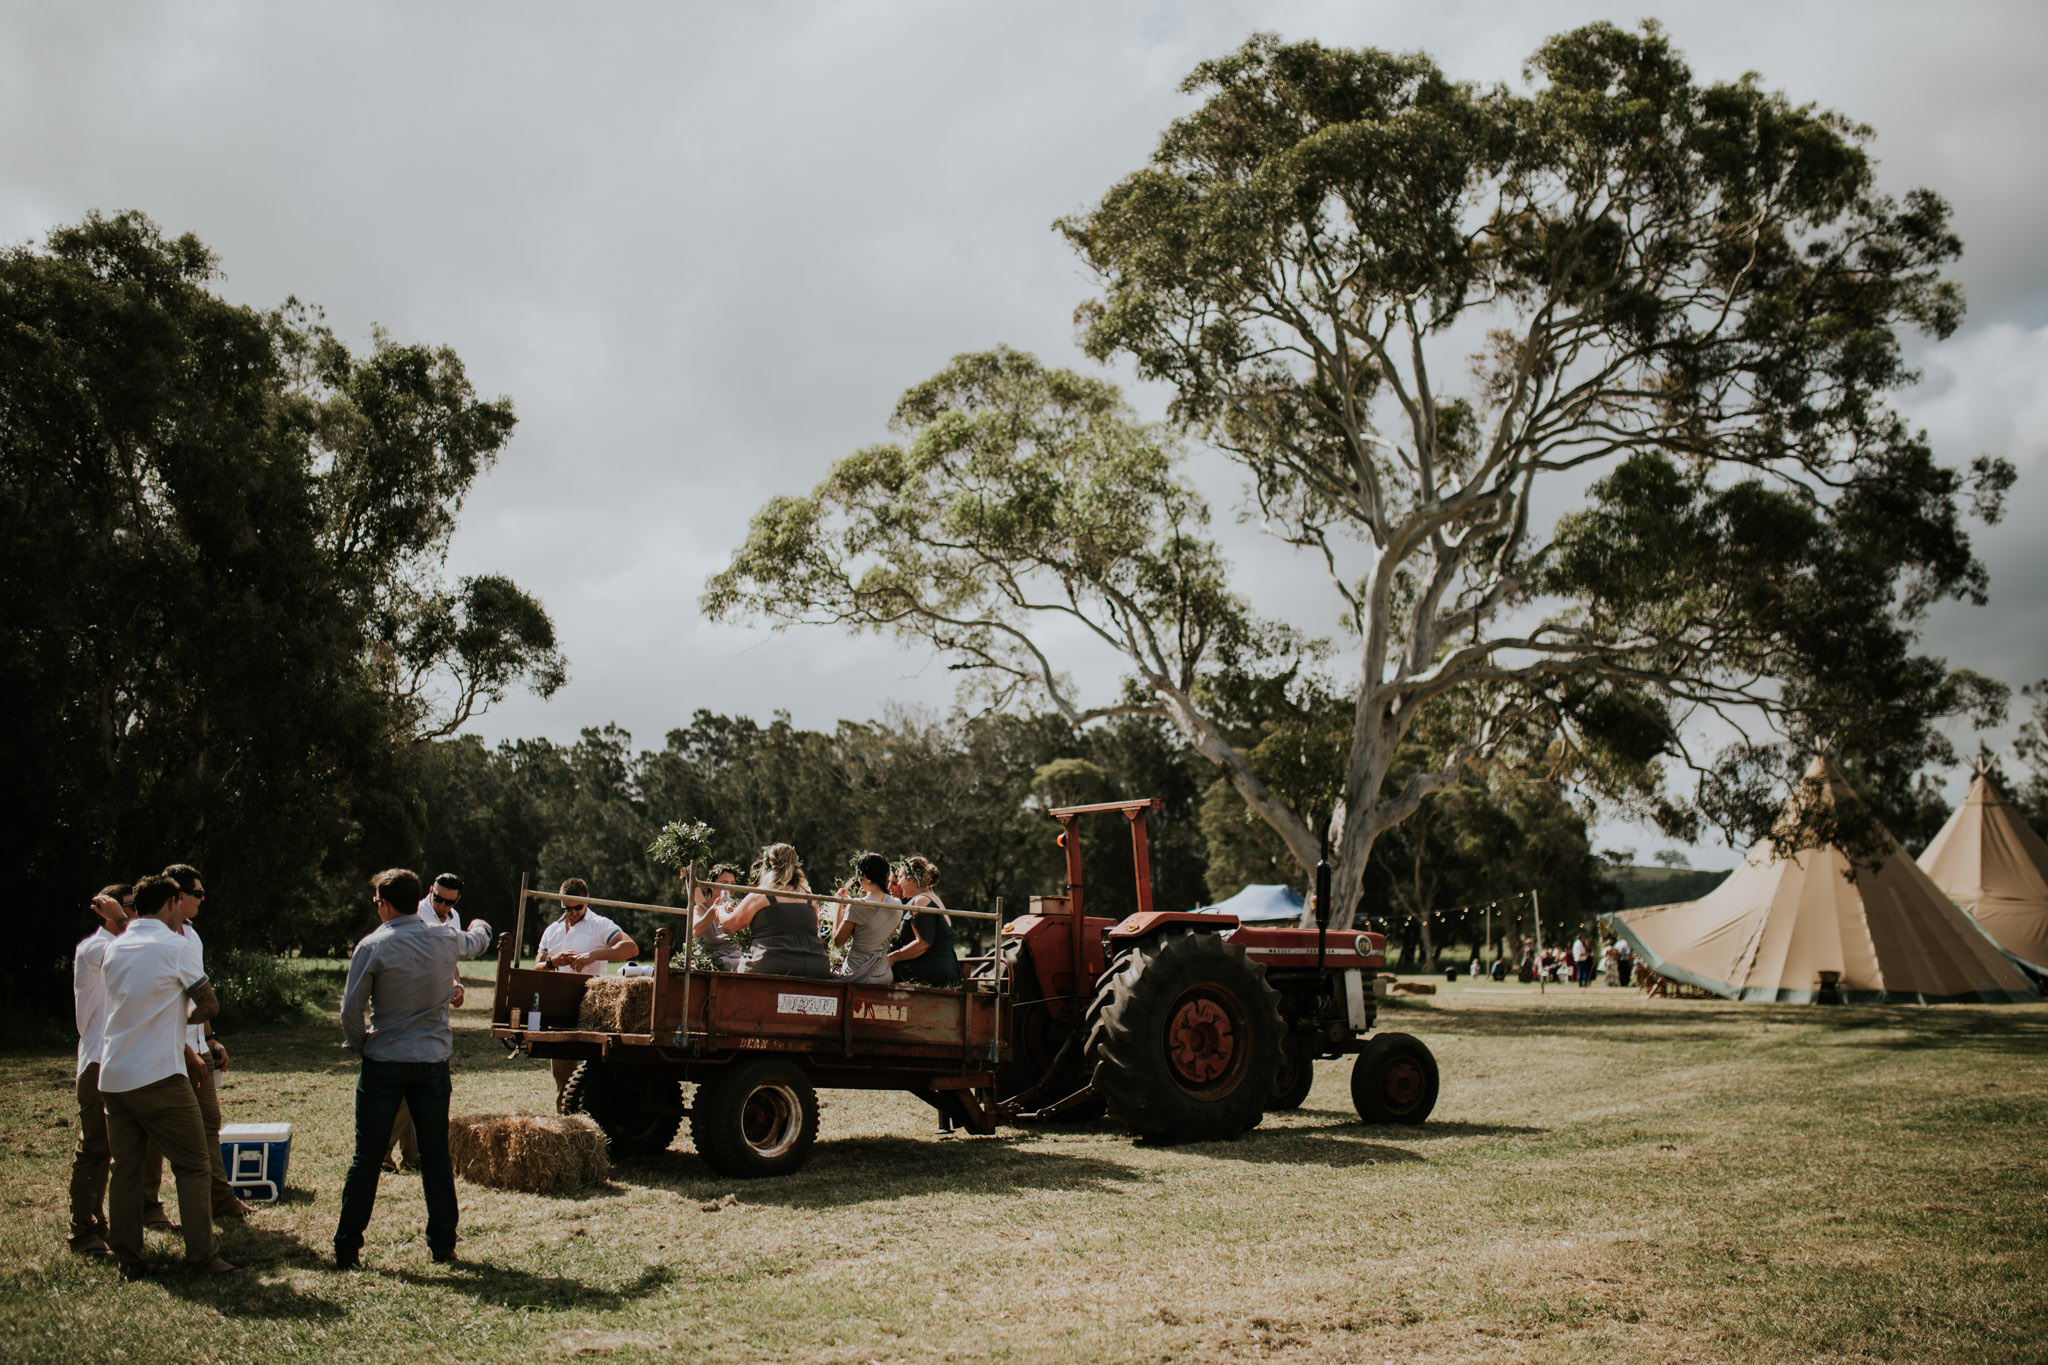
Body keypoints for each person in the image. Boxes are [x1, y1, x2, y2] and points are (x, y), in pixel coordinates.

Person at [333, 868, 491, 1270]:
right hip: (432, 1061)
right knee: (436, 1155)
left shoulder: (373, 945)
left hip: (384, 1059)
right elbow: (478, 942)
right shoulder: (445, 938)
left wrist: (360, 1043)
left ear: (384, 903)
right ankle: (443, 1244)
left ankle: (348, 1247)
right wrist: (483, 925)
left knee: (367, 1156)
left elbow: (351, 1009)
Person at [98, 874, 234, 1278]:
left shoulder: (115, 947)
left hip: (113, 1073)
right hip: (157, 1074)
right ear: (173, 902)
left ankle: (129, 1260)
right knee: (193, 1165)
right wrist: (182, 1023)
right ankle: (202, 1258)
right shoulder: (176, 946)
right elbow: (209, 1005)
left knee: (125, 1169)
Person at [68, 884, 171, 1257]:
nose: (137, 918)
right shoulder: (95, 949)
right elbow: (137, 952)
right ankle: (83, 1231)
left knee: (135, 1146)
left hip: (129, 1059)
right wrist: (121, 919)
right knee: (95, 1148)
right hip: (98, 1060)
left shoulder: (125, 943)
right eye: (129, 909)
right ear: (107, 913)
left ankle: (135, 1211)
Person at [161, 864, 249, 1220]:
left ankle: (220, 1199)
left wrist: (211, 1039)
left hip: (198, 1045)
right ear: (178, 897)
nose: (202, 899)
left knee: (211, 1122)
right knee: (175, 1133)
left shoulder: (192, 936)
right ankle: (155, 1207)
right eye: (198, 893)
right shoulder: (160, 941)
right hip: (168, 1048)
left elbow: (201, 993)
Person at [388, 872, 489, 1171]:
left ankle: (412, 1156)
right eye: (438, 899)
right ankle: (385, 1149)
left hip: (436, 1005)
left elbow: (449, 959)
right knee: (418, 1080)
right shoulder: (415, 914)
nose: (443, 907)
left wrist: (456, 985)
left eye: (449, 902)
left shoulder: (453, 917)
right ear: (430, 891)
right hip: (413, 1002)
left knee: (416, 1082)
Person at [536, 879, 640, 1098]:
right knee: (563, 1077)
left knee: (592, 1075)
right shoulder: (552, 930)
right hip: (559, 1008)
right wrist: (552, 962)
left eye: (578, 907)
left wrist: (595, 954)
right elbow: (537, 967)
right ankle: (567, 1122)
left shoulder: (600, 924)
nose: (572, 912)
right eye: (567, 908)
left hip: (591, 1005)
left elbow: (630, 948)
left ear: (587, 901)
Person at [723, 844, 832, 979]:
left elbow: (732, 923)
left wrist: (719, 911)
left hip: (770, 963)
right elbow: (814, 930)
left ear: (767, 867)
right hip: (815, 966)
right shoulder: (809, 897)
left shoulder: (761, 895)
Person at [889, 855, 959, 988]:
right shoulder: (929, 897)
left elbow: (923, 943)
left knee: (878, 973)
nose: (899, 883)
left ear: (910, 879)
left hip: (932, 972)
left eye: (900, 877)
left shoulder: (921, 901)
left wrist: (893, 957)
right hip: (941, 968)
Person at [832, 852, 901, 986]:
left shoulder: (856, 906)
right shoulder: (897, 904)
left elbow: (838, 941)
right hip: (884, 975)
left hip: (857, 974)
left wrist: (838, 907)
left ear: (864, 877)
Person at [688, 864, 746, 970]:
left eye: (732, 884)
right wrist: (713, 910)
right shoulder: (700, 909)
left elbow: (731, 935)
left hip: (736, 956)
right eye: (724, 883)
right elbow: (696, 931)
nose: (729, 888)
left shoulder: (736, 907)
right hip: (712, 959)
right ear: (712, 885)